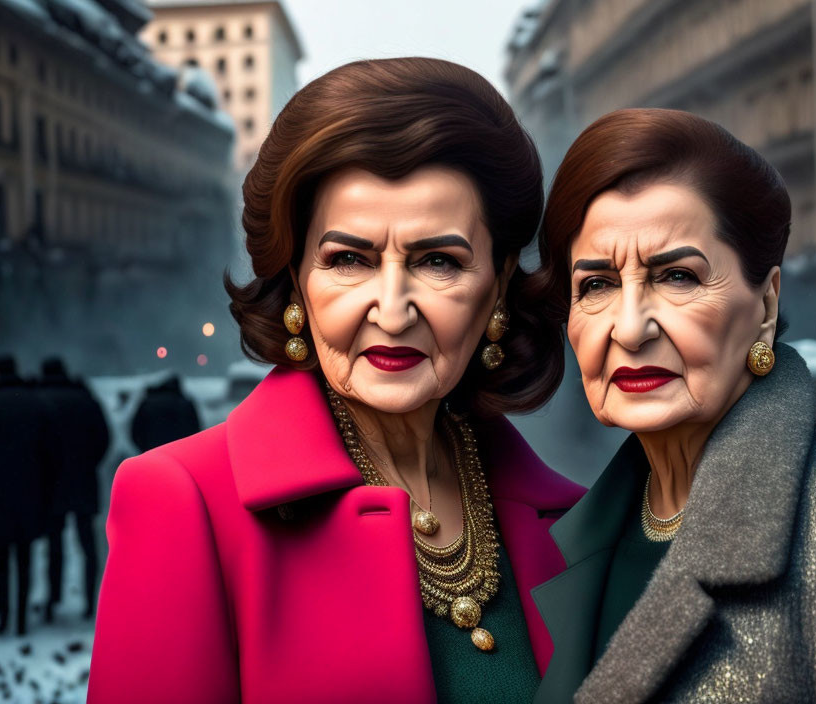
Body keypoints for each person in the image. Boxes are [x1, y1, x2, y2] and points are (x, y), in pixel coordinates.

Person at [88, 57, 585, 704]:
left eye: (439, 261)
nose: (392, 308)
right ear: (297, 281)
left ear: (499, 283)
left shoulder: (576, 520)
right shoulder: (185, 504)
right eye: (349, 260)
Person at [529, 108, 816, 703]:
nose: (630, 328)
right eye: (596, 285)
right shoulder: (551, 542)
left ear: (765, 305)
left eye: (678, 277)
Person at [0, 355, 52, 635]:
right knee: (25, 559)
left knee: (0, 560)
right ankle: (22, 618)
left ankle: (2, 615)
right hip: (29, 492)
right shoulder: (36, 404)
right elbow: (51, 453)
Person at [37, 357, 109, 621]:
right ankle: (91, 601)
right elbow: (104, 438)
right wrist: (89, 463)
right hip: (83, 480)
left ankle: (53, 600)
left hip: (51, 483)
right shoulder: (85, 399)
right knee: (87, 544)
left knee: (54, 546)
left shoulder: (41, 399)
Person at [130, 374, 200, 452]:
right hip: (178, 453)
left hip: (152, 453)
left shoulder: (147, 403)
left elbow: (136, 432)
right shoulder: (184, 403)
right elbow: (195, 431)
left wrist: (145, 450)